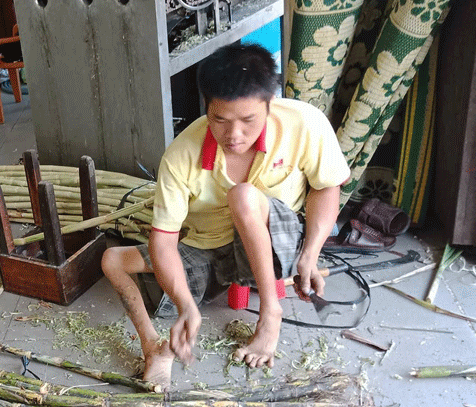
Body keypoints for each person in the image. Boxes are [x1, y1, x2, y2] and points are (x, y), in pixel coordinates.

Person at [102, 43, 350, 389]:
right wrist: (185, 304)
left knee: (244, 197)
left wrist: (311, 253)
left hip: (274, 243)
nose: (234, 135)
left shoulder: (304, 123)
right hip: (210, 248)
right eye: (219, 119)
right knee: (113, 260)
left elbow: (327, 186)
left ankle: (270, 314)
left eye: (248, 120)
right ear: (207, 107)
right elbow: (164, 241)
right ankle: (154, 348)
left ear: (269, 104)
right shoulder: (180, 155)